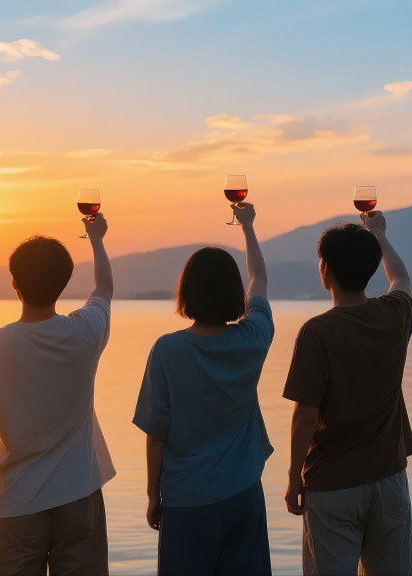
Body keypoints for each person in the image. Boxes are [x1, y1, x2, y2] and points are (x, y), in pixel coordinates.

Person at [0, 215, 115, 575]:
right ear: (64, 283)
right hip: (80, 494)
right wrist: (96, 238)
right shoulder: (85, 332)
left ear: (14, 282)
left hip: (19, 499)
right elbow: (104, 288)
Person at [133, 202, 274, 575]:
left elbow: (156, 433)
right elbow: (259, 279)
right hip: (244, 494)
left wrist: (153, 493)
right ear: (234, 294)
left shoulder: (168, 350)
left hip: (188, 500)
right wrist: (248, 227)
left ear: (187, 293)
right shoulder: (253, 339)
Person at [283, 211, 412, 575]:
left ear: (325, 270)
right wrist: (378, 233)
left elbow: (306, 415)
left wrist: (295, 476)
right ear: (372, 267)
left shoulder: (317, 332)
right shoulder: (396, 314)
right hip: (389, 478)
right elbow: (401, 277)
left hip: (332, 484)